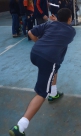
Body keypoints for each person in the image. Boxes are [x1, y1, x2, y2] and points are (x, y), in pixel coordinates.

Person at [9, 8, 76, 136]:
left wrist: (39, 42)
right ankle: (20, 127)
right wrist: (58, 22)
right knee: (41, 93)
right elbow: (62, 29)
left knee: (55, 67)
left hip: (34, 54)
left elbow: (30, 32)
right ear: (69, 19)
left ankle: (54, 93)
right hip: (48, 59)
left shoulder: (49, 24)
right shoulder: (71, 31)